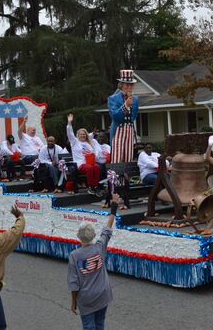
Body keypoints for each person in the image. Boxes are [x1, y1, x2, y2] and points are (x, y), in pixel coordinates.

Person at [68, 194, 120, 330]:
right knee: (100, 324)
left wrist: (74, 301)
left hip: (86, 299)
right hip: (103, 294)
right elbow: (107, 230)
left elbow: (74, 284)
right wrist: (114, 206)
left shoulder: (74, 256)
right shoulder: (99, 247)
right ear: (93, 235)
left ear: (79, 236)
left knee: (89, 326)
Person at [108, 70, 139, 164]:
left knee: (128, 157)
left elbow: (133, 116)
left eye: (131, 85)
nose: (129, 87)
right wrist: (126, 105)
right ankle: (116, 178)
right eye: (127, 84)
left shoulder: (136, 99)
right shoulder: (113, 98)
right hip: (118, 129)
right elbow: (115, 116)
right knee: (117, 159)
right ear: (121, 85)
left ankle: (127, 178)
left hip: (129, 129)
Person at [67, 114, 101, 195]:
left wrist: (93, 133)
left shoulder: (88, 143)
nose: (83, 135)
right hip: (80, 164)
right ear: (78, 135)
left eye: (84, 134)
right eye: (81, 134)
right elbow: (70, 133)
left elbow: (90, 136)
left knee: (96, 167)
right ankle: (90, 187)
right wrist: (69, 123)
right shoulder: (74, 142)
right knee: (89, 167)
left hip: (90, 162)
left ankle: (95, 186)